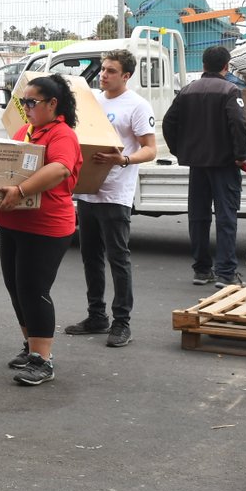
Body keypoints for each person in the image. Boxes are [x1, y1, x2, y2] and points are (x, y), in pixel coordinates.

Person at [0, 74, 83, 387]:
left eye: (31, 102)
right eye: (23, 102)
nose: (26, 108)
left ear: (52, 103)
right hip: (12, 223)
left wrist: (20, 190)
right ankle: (30, 346)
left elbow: (60, 169)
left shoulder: (62, 135)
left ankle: (42, 361)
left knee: (33, 289)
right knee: (16, 288)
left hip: (45, 227)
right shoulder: (26, 131)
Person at [63, 50, 157, 348]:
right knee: (90, 257)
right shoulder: (92, 100)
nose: (103, 75)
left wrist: (123, 160)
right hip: (88, 190)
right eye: (103, 69)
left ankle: (122, 322)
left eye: (111, 71)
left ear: (126, 75)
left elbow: (150, 149)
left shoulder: (137, 105)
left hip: (115, 193)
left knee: (118, 258)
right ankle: (96, 316)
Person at [162, 46, 246, 288]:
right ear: (226, 66)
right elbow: (238, 124)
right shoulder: (230, 90)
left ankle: (202, 270)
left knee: (198, 217)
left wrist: (179, 150)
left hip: (197, 164)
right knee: (226, 217)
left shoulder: (187, 91)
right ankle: (226, 273)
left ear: (203, 65)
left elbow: (169, 122)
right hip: (224, 164)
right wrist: (241, 155)